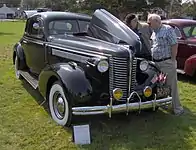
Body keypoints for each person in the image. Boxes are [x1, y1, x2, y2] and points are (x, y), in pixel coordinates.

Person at [147, 13, 184, 115]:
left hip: (166, 62)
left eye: (150, 22)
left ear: (157, 21)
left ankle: (177, 108)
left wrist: (172, 59)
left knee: (171, 85)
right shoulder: (154, 32)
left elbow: (174, 44)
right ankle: (163, 103)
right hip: (156, 63)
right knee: (160, 85)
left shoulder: (167, 30)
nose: (148, 24)